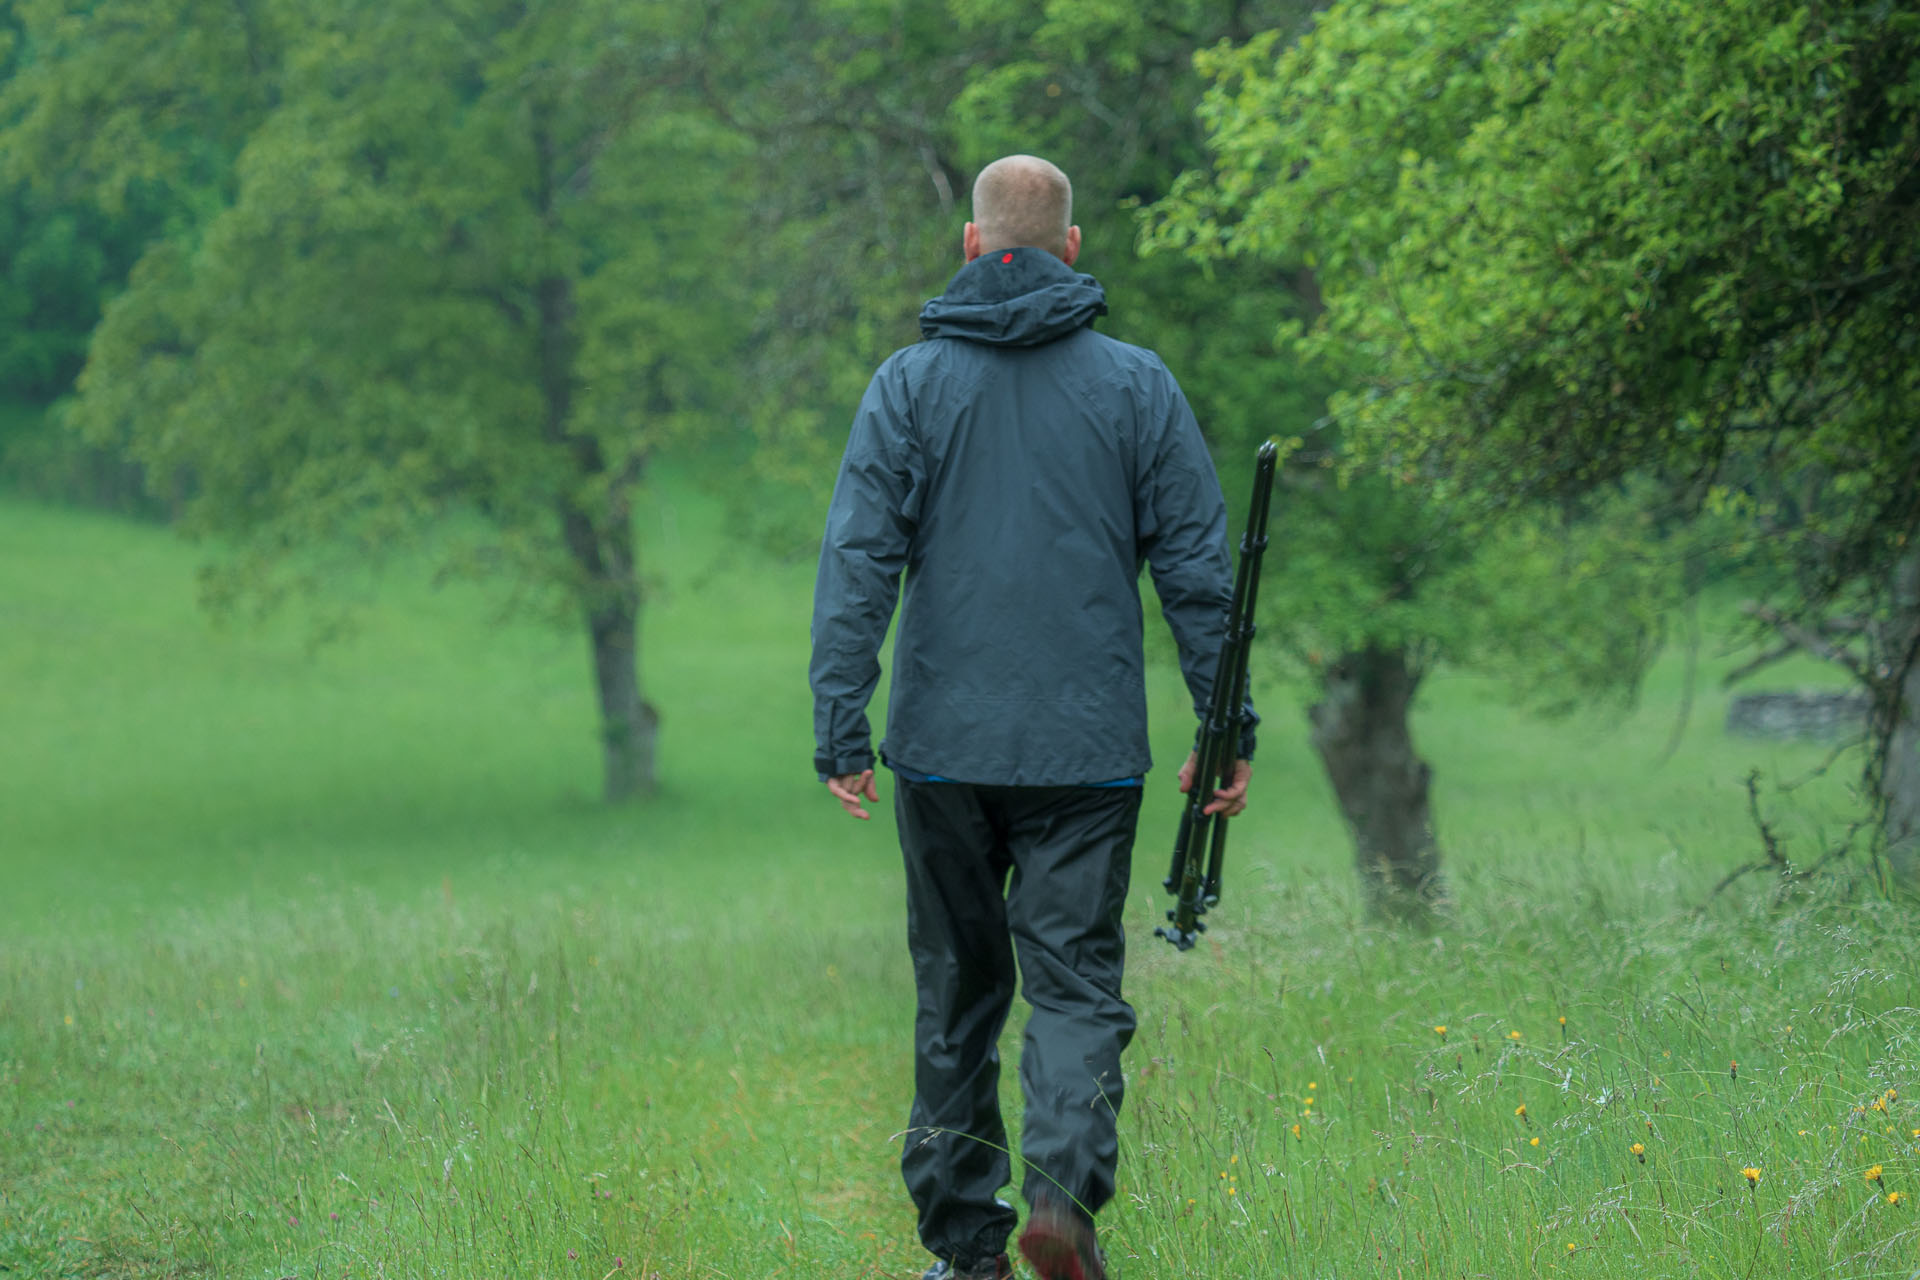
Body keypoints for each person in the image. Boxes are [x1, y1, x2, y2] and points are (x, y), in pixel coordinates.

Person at [809, 153, 1254, 1280]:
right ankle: (1059, 1197)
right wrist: (1225, 722)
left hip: (943, 753)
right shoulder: (1138, 385)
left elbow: (858, 560)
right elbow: (1203, 571)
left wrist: (840, 726)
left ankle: (967, 1252)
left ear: (971, 245)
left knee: (959, 987)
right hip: (1087, 753)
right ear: (1071, 246)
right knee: (1073, 983)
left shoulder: (907, 387)